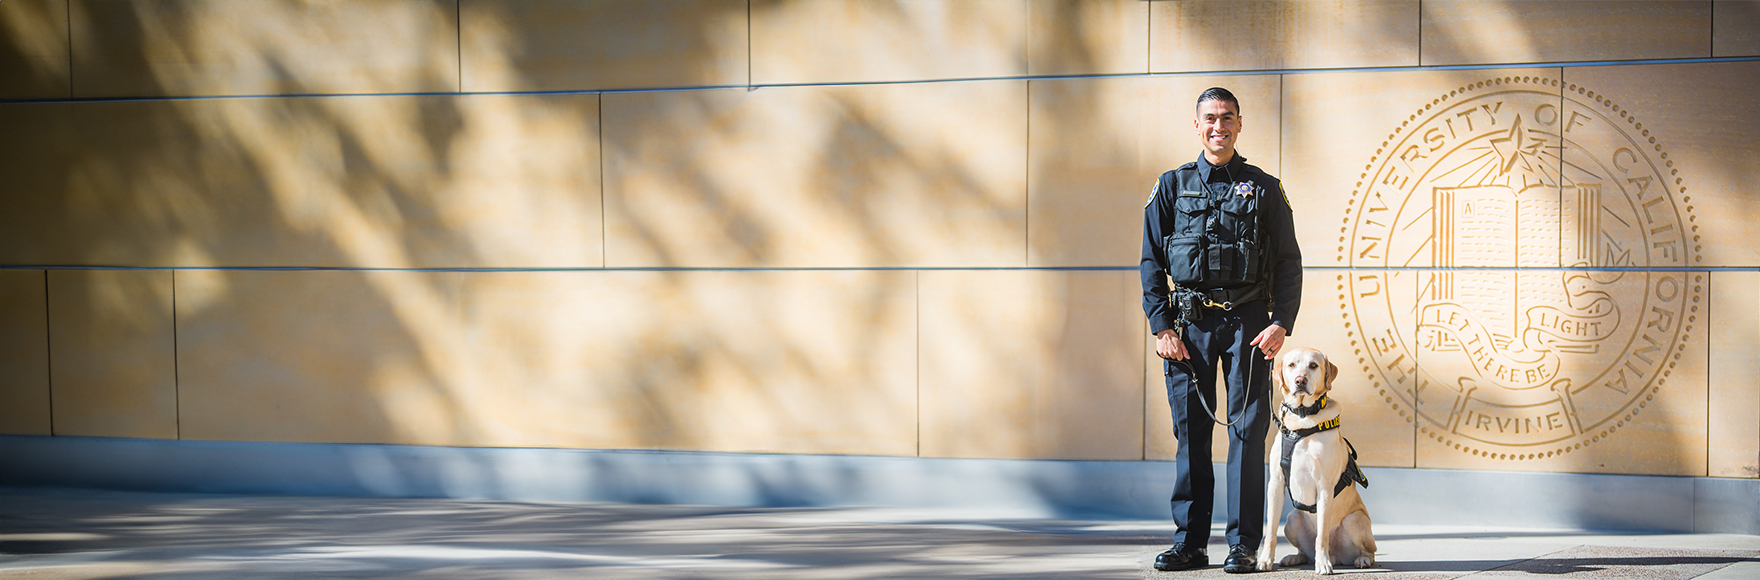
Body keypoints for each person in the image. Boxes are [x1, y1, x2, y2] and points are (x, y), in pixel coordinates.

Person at [1140, 87, 1302, 574]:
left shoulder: (1264, 187)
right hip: (1188, 328)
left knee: (1248, 437)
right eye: (1210, 118)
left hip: (1250, 325)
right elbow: (1151, 261)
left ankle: (1244, 544)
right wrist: (1161, 326)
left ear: (1239, 124)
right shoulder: (1171, 186)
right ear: (1197, 125)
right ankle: (1189, 543)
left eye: (1227, 118)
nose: (1218, 126)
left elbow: (1289, 261)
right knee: (1191, 436)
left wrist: (1281, 322)